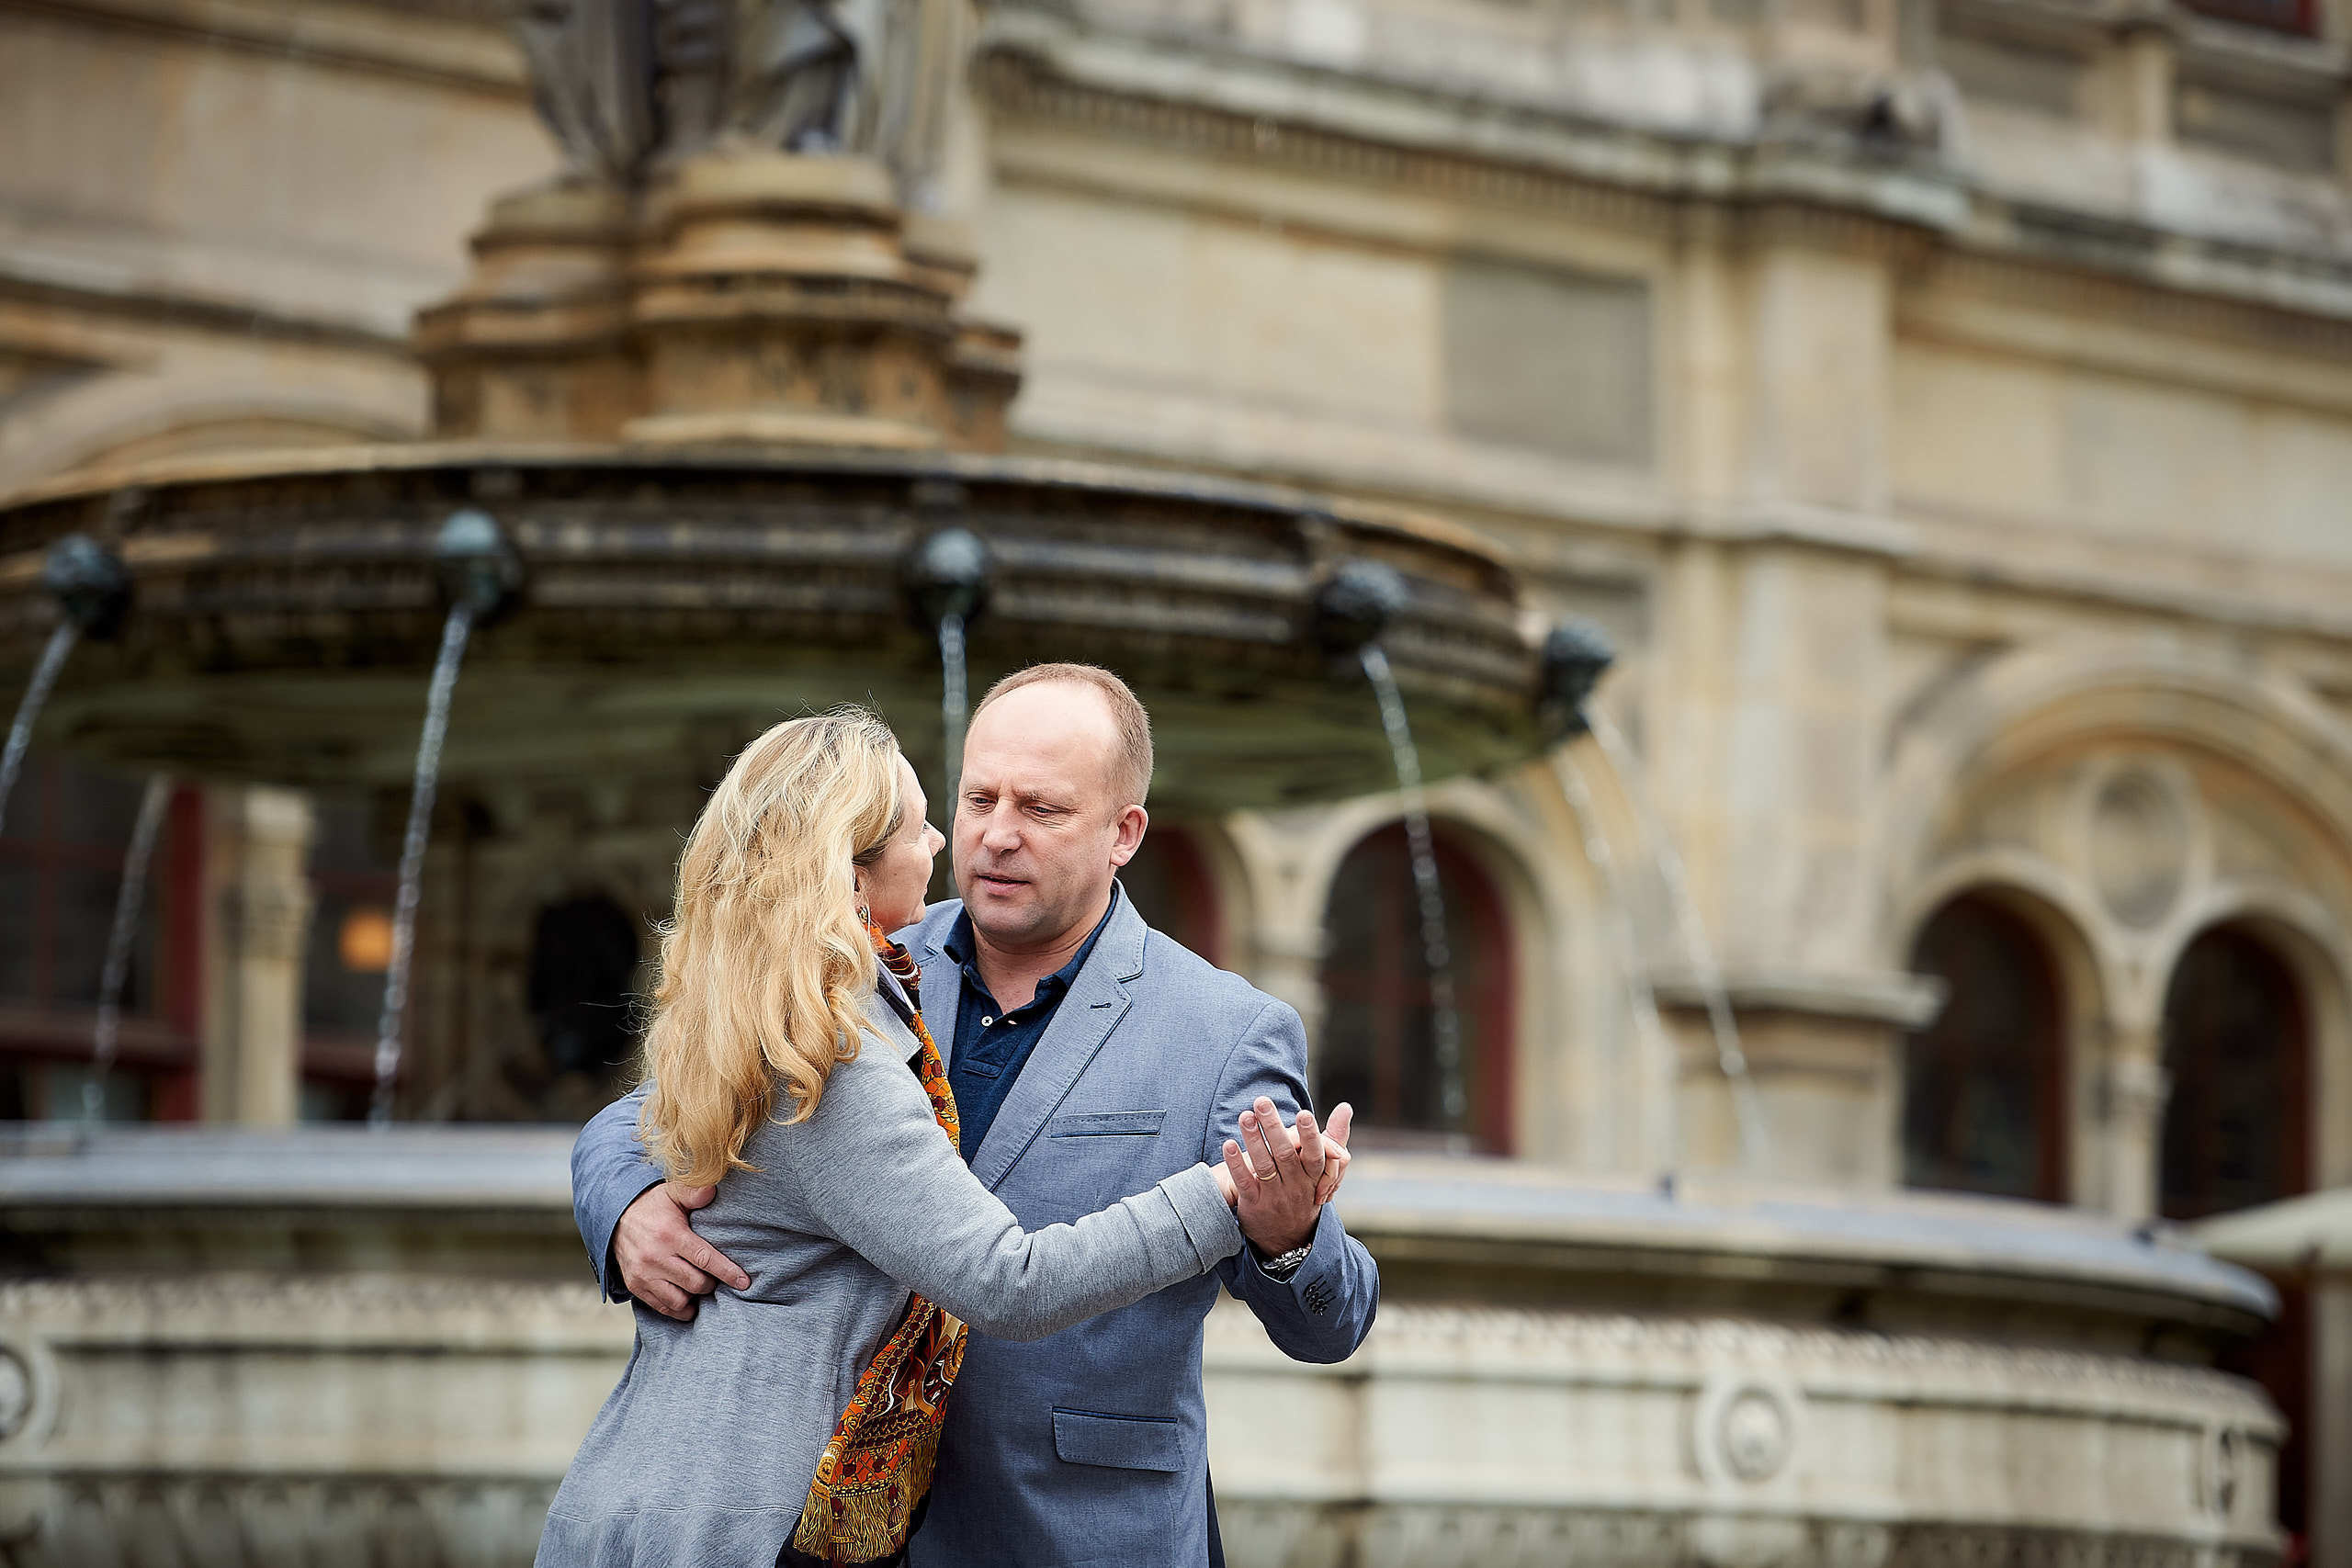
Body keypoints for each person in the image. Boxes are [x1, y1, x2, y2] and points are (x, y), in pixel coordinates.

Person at [572, 665, 1381, 1567]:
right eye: (978, 799)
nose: (996, 835)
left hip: (1071, 1532)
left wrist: (1287, 1239)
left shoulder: (1227, 1031)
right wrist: (627, 1204)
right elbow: (649, 1109)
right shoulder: (850, 958)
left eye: (1041, 809)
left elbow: (1332, 1322)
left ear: (1123, 833)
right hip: (828, 1529)